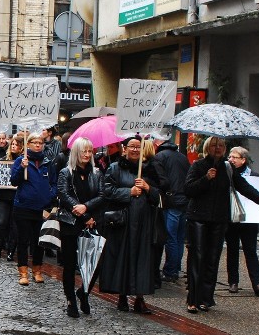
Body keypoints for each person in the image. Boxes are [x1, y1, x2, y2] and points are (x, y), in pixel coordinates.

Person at [185, 138, 259, 312]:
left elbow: (243, 186)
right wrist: (206, 178)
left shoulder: (228, 167)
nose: (218, 148)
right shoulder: (198, 166)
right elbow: (188, 189)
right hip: (198, 218)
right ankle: (193, 299)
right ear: (207, 148)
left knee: (212, 259)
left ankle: (206, 299)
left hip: (219, 219)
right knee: (198, 258)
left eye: (221, 146)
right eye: (214, 145)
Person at [98, 137, 161, 313]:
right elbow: (107, 191)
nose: (135, 150)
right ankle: (122, 296)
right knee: (123, 258)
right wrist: (129, 192)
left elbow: (159, 196)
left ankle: (139, 298)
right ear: (124, 149)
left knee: (142, 259)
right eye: (132, 146)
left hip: (143, 222)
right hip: (123, 222)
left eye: (138, 147)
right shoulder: (115, 168)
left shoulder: (150, 169)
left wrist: (148, 188)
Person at [57, 137, 104, 318]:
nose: (86, 154)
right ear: (76, 152)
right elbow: (64, 194)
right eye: (83, 151)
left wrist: (88, 211)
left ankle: (83, 293)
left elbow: (102, 195)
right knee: (69, 264)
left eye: (89, 151)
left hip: (91, 222)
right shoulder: (66, 172)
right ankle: (70, 299)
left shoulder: (97, 173)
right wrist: (83, 214)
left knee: (94, 264)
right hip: (71, 222)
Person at [10, 132, 57, 284]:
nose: (38, 145)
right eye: (34, 142)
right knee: (23, 240)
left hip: (41, 208)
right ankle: (23, 272)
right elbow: (14, 181)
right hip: (23, 206)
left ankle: (37, 269)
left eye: (40, 142)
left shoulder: (48, 162)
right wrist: (21, 167)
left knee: (39, 241)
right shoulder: (20, 160)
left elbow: (54, 182)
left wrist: (50, 195)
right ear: (28, 144)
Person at [225, 147, 259, 296]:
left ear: (243, 160)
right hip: (232, 217)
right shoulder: (227, 174)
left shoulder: (253, 176)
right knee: (232, 250)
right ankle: (233, 282)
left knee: (250, 251)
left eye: (234, 157)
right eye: (229, 156)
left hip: (249, 220)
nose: (231, 159)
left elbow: (257, 194)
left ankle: (256, 283)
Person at [152, 136, 191, 285]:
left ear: (157, 143)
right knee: (179, 238)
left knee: (170, 238)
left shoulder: (159, 157)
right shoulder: (182, 156)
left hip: (171, 201)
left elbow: (163, 181)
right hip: (183, 201)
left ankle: (170, 271)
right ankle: (175, 268)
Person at [0, 134, 20, 260]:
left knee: (14, 224)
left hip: (17, 196)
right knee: (1, 222)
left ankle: (11, 251)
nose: (14, 146)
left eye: (17, 145)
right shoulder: (3, 159)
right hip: (3, 196)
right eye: (12, 144)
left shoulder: (23, 161)